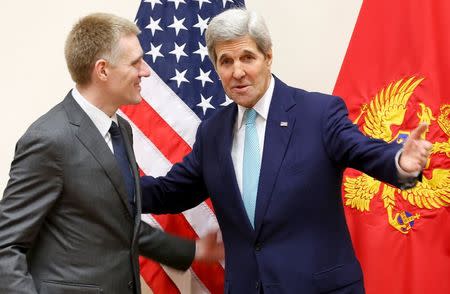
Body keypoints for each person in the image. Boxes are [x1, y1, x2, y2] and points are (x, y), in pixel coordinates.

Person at [140, 8, 432, 294]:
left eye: (247, 58)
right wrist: (108, 185)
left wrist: (400, 162)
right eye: (226, 61)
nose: (237, 72)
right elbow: (171, 191)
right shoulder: (212, 131)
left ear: (268, 57)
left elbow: (363, 150)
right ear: (216, 68)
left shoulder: (318, 113)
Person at [0, 13, 223, 294]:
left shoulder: (121, 130)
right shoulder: (49, 139)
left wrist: (191, 251)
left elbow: (118, 223)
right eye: (135, 63)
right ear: (103, 70)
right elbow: (6, 246)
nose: (146, 72)